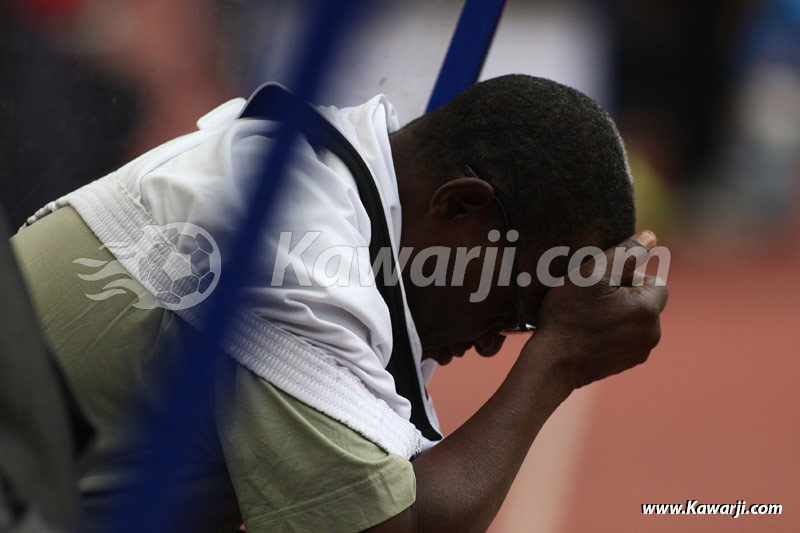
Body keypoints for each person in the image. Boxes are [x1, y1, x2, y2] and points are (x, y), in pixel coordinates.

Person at [10, 74, 668, 532]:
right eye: (510, 306)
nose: (495, 342)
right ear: (461, 206)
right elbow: (398, 526)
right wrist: (559, 357)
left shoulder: (322, 160)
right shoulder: (297, 254)